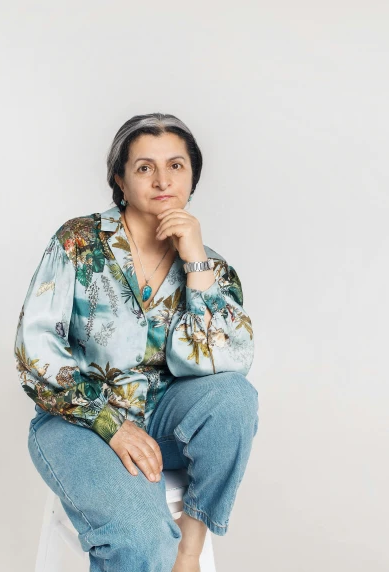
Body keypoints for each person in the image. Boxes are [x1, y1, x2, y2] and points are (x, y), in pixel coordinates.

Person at [14, 112, 259, 572]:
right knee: (140, 538)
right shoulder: (79, 243)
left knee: (235, 399)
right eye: (145, 167)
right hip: (78, 423)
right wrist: (111, 423)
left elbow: (227, 363)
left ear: (193, 178)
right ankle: (152, 546)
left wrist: (195, 262)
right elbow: (35, 353)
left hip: (163, 422)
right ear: (120, 181)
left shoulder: (211, 267)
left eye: (177, 166)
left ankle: (187, 554)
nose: (163, 179)